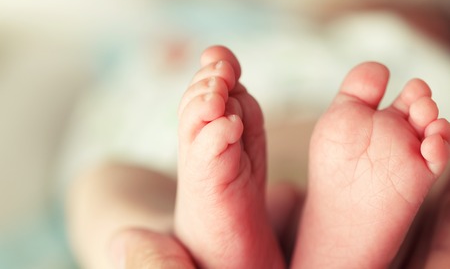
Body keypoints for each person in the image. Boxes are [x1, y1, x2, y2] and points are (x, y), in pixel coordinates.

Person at [66, 46, 449, 268]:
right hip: (339, 135)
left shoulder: (143, 56)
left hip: (166, 138)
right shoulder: (399, 45)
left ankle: (183, 245)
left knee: (105, 192)